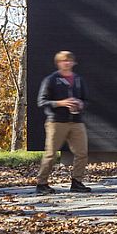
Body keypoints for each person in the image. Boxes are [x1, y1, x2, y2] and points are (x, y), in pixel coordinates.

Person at [34, 51, 91, 194]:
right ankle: (42, 184)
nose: (67, 63)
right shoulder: (51, 80)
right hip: (56, 122)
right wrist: (61, 103)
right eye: (63, 60)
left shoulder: (78, 79)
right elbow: (42, 102)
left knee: (82, 153)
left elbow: (87, 100)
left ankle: (77, 182)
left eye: (69, 60)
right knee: (51, 153)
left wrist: (81, 104)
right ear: (58, 63)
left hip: (76, 121)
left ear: (73, 63)